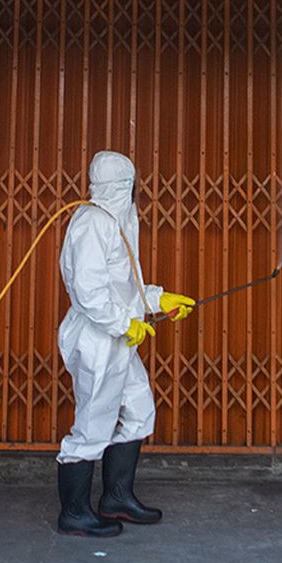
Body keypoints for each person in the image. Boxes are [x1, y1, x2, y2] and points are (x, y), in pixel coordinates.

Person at [55, 151, 194, 537]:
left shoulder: (118, 222)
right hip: (98, 339)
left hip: (117, 337)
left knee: (138, 410)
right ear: (123, 186)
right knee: (93, 424)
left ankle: (116, 496)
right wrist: (123, 323)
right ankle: (74, 512)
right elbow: (89, 291)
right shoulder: (92, 224)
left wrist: (159, 299)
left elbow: (124, 286)